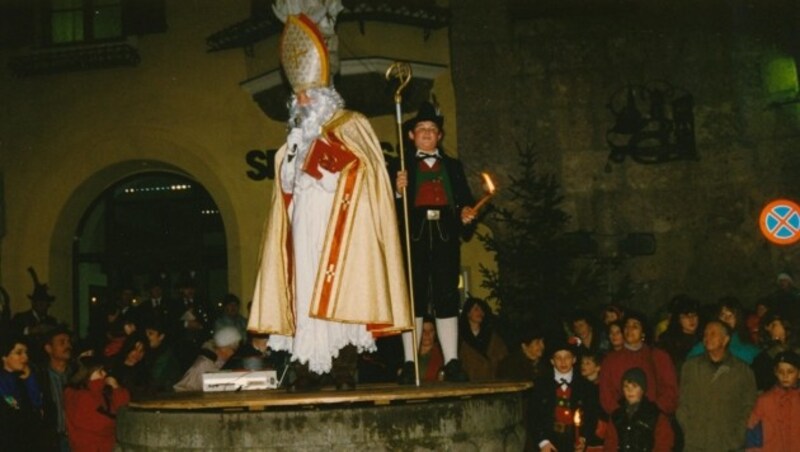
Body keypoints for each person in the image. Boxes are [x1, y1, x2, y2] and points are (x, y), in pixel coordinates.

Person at [248, 11, 411, 392]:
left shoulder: (351, 124)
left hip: (342, 226)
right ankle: (307, 369)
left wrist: (329, 170)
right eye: (297, 95)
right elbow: (285, 185)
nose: (301, 100)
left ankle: (342, 370)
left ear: (324, 95)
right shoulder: (295, 137)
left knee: (342, 295)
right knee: (305, 292)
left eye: (307, 94)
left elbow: (367, 174)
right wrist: (291, 162)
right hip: (305, 222)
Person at [390, 100, 476, 384]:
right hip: (414, 235)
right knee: (412, 297)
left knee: (446, 296)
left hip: (445, 234)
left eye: (432, 129)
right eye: (421, 129)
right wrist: (398, 191)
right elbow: (385, 209)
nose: (427, 133)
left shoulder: (452, 166)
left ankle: (452, 361)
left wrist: (466, 213)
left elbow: (465, 199)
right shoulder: (399, 165)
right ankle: (409, 362)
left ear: (439, 136)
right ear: (411, 136)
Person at [677, 320, 757, 451]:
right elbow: (683, 402)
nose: (707, 338)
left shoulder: (741, 370)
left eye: (713, 334)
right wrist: (689, 429)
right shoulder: (691, 367)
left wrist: (738, 436)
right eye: (705, 334)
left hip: (729, 445)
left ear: (725, 340)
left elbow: (749, 406)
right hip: (696, 444)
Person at [598, 311, 679, 419]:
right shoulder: (611, 360)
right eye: (627, 326)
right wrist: (621, 414)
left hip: (654, 419)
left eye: (635, 326)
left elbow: (670, 391)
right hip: (622, 421)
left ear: (643, 333)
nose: (630, 329)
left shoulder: (658, 357)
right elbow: (606, 395)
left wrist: (653, 411)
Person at [529, 338, 600, 452]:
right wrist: (543, 442)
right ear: (552, 361)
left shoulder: (586, 386)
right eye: (558, 357)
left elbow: (591, 417)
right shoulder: (541, 384)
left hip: (574, 442)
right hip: (548, 441)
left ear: (574, 359)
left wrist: (583, 438)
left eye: (567, 357)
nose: (563, 362)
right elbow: (533, 416)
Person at [64, 355, 130, 452]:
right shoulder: (79, 396)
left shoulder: (99, 391)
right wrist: (120, 422)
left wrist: (116, 388)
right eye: (100, 371)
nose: (104, 374)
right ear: (86, 373)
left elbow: (123, 406)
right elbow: (101, 424)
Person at [604, 367, 674, 451]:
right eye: (626, 387)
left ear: (642, 389)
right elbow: (610, 444)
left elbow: (664, 444)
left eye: (634, 386)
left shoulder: (655, 414)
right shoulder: (616, 415)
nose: (630, 391)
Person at [0, 334, 47, 452]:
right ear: (4, 356)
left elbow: (38, 406)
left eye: (26, 352)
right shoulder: (2, 382)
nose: (25, 357)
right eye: (19, 353)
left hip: (28, 442)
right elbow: (14, 406)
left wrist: (30, 379)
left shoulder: (28, 377)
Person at [746, 350, 800, 451]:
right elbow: (753, 435)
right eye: (781, 372)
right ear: (775, 372)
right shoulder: (764, 401)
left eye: (790, 371)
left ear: (799, 373)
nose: (785, 376)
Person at [35, 326, 76, 452]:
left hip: (76, 437)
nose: (68, 346)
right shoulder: (40, 376)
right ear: (48, 348)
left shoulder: (77, 374)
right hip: (51, 440)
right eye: (62, 342)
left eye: (69, 342)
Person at [688, 297, 761, 364]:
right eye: (723, 315)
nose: (726, 319)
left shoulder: (747, 347)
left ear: (738, 319)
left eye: (730, 316)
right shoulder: (707, 343)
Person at [173, 326, 242, 392]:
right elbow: (181, 388)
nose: (232, 354)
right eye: (232, 349)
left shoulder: (219, 362)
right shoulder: (203, 364)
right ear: (223, 347)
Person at [458, 297, 508, 381]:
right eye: (476, 309)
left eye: (482, 309)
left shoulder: (492, 336)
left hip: (490, 380)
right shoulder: (460, 337)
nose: (480, 312)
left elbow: (503, 357)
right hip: (469, 382)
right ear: (468, 313)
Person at [657, 294, 702, 375]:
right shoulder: (669, 342)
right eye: (686, 316)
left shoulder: (704, 337)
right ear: (678, 319)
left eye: (694, 315)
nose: (691, 320)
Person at [142, 319, 182, 393]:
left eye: (151, 334)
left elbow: (155, 380)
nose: (147, 337)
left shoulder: (165, 355)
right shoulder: (149, 351)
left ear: (161, 336)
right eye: (146, 334)